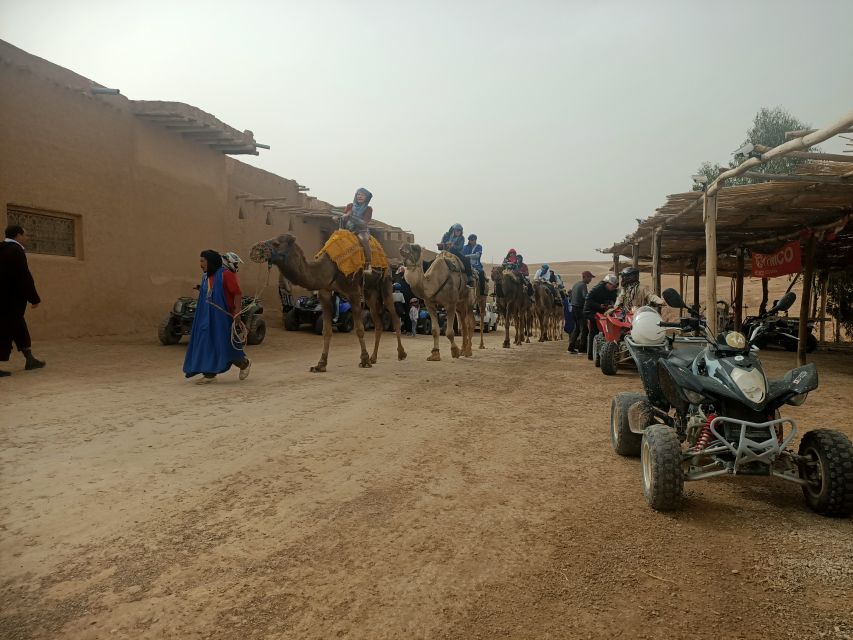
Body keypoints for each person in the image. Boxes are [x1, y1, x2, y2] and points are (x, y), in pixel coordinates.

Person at [183, 250, 251, 384]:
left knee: (224, 345)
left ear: (211, 261)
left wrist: (237, 313)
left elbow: (237, 294)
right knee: (205, 342)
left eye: (203, 261)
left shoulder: (226, 275)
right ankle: (209, 374)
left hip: (222, 317)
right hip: (205, 317)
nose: (200, 264)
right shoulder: (205, 277)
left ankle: (244, 363)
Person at [0, 225, 45, 376]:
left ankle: (30, 359)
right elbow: (24, 277)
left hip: (5, 300)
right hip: (10, 300)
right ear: (18, 235)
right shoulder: (16, 251)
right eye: (25, 235)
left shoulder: (2, 248)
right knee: (4, 330)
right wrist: (34, 298)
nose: (27, 238)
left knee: (18, 326)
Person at [583, 273, 619, 360]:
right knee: (593, 331)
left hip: (602, 312)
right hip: (591, 311)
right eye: (613, 286)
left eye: (615, 287)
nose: (613, 288)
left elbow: (615, 299)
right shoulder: (597, 288)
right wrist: (599, 306)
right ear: (608, 283)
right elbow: (588, 300)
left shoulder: (612, 290)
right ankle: (591, 355)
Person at [341, 187, 374, 273]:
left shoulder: (368, 209)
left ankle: (368, 264)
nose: (360, 196)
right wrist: (341, 217)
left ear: (366, 197)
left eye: (362, 195)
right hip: (348, 230)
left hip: (361, 231)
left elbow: (364, 223)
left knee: (363, 240)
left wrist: (352, 218)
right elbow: (346, 215)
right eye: (358, 194)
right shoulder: (350, 206)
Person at [568, 270, 594, 354]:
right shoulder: (583, 285)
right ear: (584, 277)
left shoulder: (576, 284)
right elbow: (585, 297)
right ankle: (581, 349)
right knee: (584, 329)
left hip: (573, 308)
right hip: (580, 309)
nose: (590, 279)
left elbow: (571, 297)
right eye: (589, 277)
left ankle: (570, 348)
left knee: (577, 328)